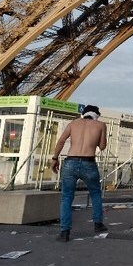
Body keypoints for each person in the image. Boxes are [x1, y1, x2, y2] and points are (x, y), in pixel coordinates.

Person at [51, 104, 108, 242]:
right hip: (88, 162)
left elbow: (61, 141)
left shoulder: (73, 123)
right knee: (95, 193)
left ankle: (65, 232)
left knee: (66, 197)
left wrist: (54, 158)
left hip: (70, 162)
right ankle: (98, 224)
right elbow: (102, 146)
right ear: (96, 115)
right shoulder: (100, 125)